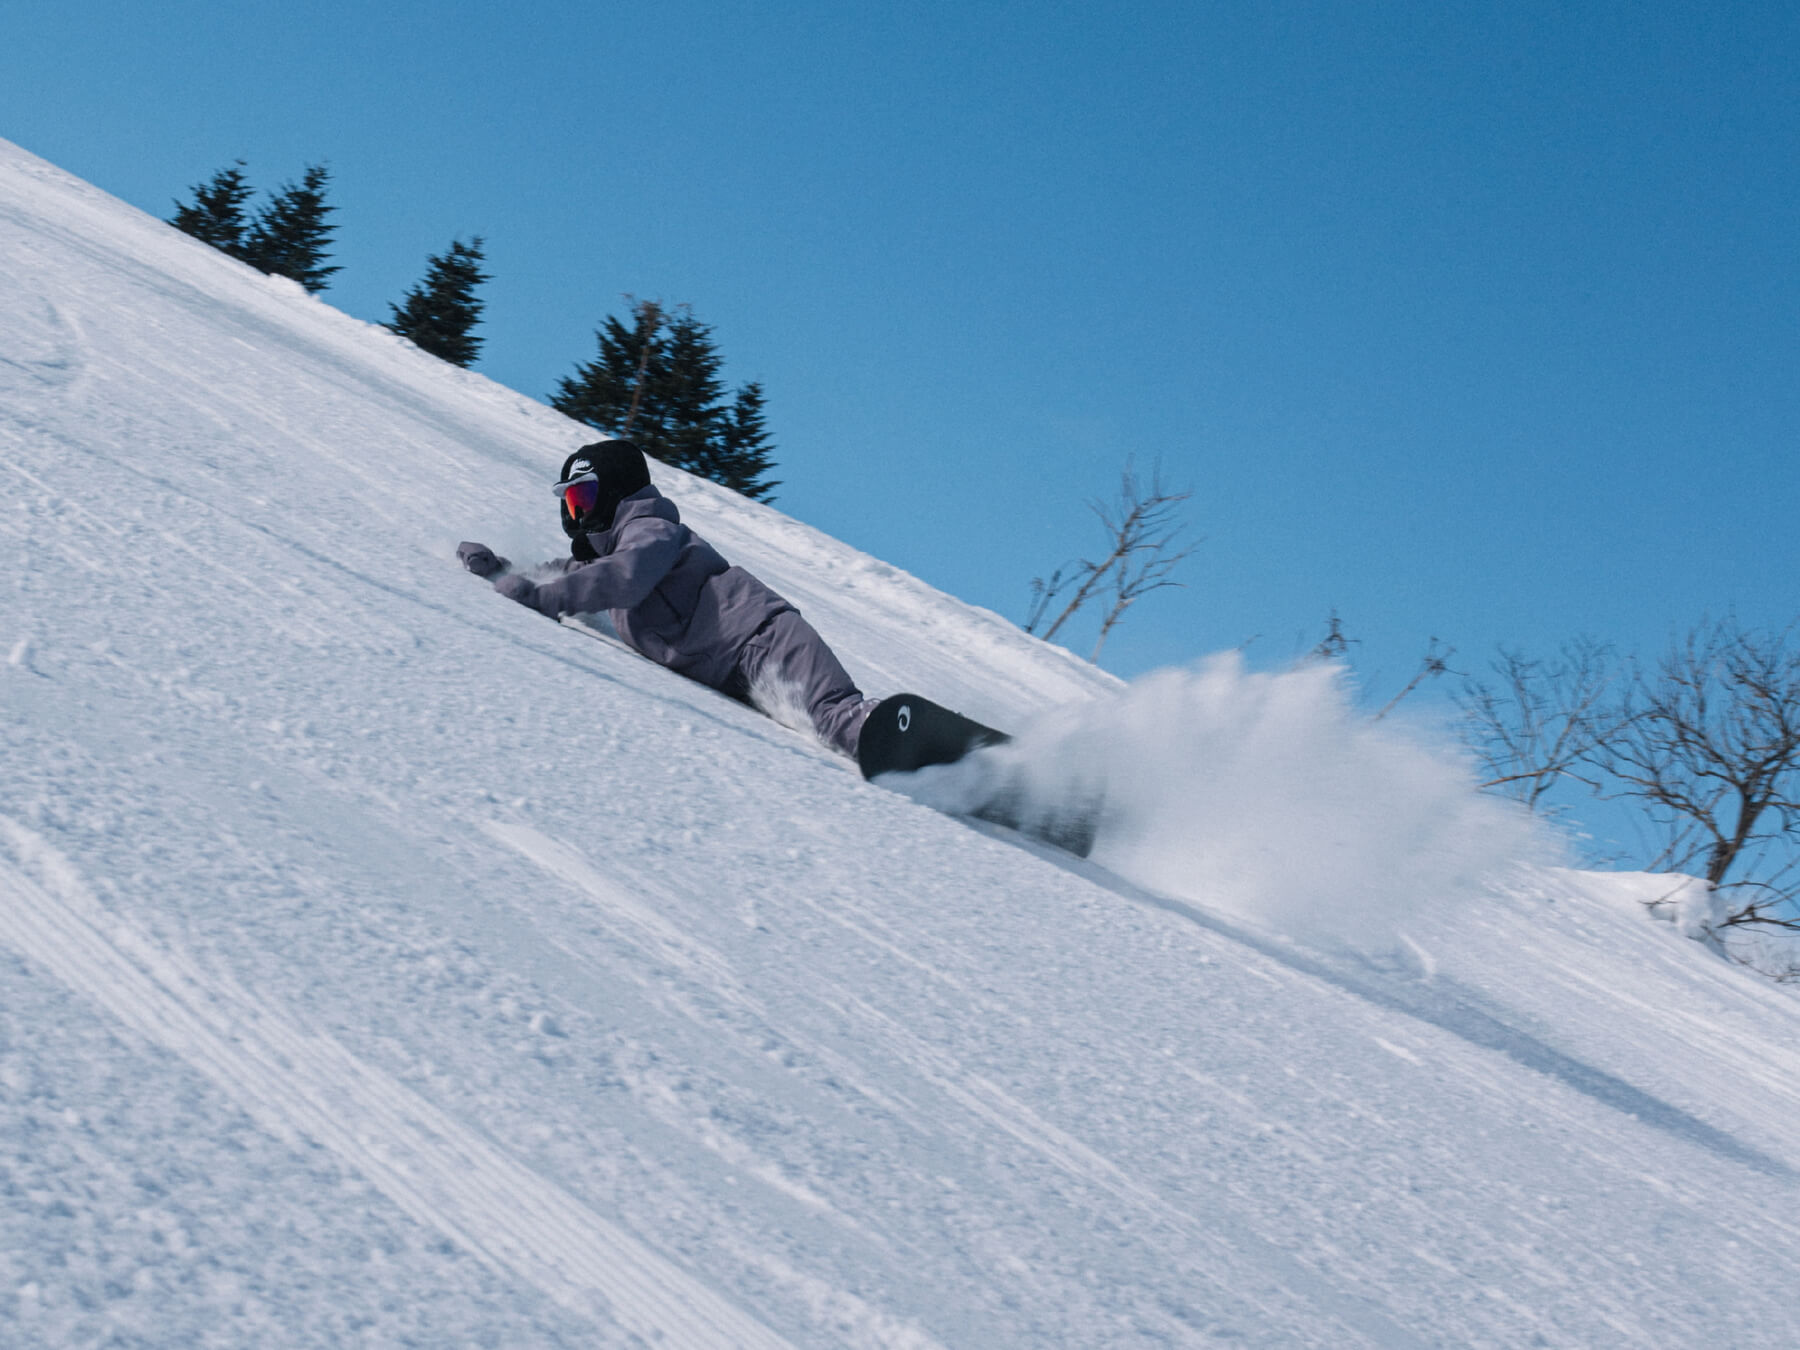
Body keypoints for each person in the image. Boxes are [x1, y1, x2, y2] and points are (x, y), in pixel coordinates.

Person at [458, 440, 877, 758]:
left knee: (834, 717)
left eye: (583, 499)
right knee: (815, 727)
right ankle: (892, 745)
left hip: (764, 638)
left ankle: (899, 737)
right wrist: (502, 569)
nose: (577, 516)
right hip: (730, 670)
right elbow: (566, 573)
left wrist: (542, 598)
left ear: (616, 493)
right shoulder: (609, 555)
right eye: (570, 504)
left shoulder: (651, 532)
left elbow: (622, 577)